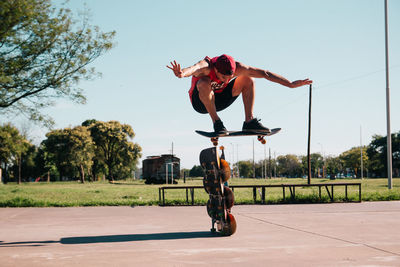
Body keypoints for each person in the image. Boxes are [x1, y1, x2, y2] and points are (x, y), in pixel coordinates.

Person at [167, 54, 312, 134]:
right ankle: (217, 123)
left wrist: (290, 84)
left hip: (220, 99)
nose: (226, 80)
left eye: (229, 77)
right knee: (204, 82)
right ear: (216, 70)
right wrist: (181, 74)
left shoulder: (238, 68)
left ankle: (249, 121)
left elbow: (265, 73)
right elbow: (193, 69)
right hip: (200, 103)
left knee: (248, 79)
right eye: (223, 77)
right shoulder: (206, 66)